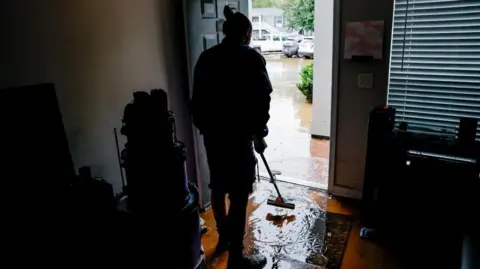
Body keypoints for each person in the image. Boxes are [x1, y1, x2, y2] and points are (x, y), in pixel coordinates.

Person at [191, 5, 272, 269]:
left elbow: (197, 103)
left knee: (217, 185)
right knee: (238, 194)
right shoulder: (251, 59)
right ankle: (236, 257)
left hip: (214, 137)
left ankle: (225, 238)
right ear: (247, 32)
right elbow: (262, 100)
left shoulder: (206, 57)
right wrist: (259, 132)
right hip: (239, 139)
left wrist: (206, 128)